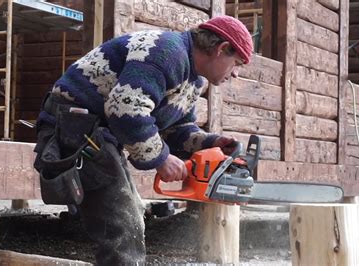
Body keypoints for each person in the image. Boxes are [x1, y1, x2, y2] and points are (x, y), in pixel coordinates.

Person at [33, 15, 253, 265]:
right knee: (123, 222)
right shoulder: (168, 53)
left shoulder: (194, 79)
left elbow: (176, 127)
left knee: (129, 212)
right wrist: (160, 159)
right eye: (236, 63)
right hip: (74, 123)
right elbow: (125, 109)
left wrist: (209, 143)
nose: (235, 74)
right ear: (220, 49)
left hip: (98, 130)